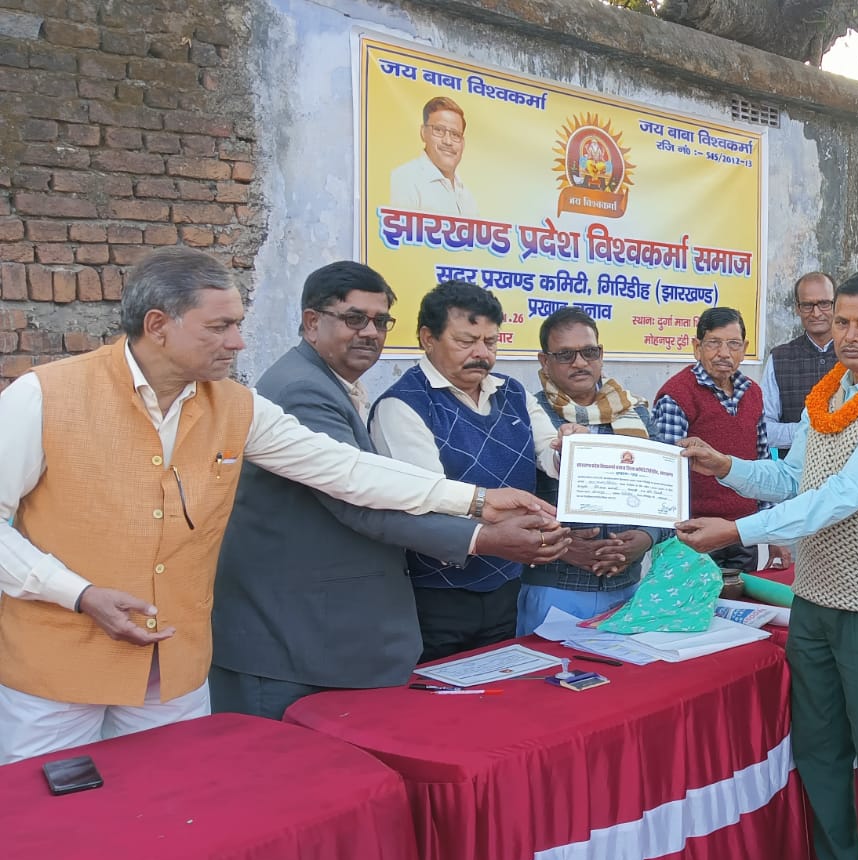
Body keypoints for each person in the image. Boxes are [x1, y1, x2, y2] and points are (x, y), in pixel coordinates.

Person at [0, 248, 541, 763]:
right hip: (58, 663)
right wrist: (77, 593)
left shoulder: (237, 406)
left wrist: (474, 500)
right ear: (159, 325)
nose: (238, 342)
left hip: (174, 663)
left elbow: (344, 468)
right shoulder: (46, 396)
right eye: (220, 327)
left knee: (168, 802)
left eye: (237, 324)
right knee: (49, 815)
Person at [676, 271, 858, 860]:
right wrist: (727, 466)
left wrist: (734, 530)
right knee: (820, 752)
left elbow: (841, 497)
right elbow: (793, 479)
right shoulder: (828, 397)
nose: (849, 335)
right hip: (814, 600)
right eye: (842, 322)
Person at [211, 262, 570, 719]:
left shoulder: (333, 384)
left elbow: (365, 481)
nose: (370, 332)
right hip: (294, 636)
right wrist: (483, 529)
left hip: (328, 629)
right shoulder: (306, 389)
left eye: (380, 321)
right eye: (354, 318)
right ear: (312, 323)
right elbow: (358, 499)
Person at [370, 281, 543, 663]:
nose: (482, 353)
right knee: (435, 693)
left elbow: (551, 453)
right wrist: (502, 529)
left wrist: (576, 448)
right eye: (466, 341)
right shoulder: (403, 406)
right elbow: (426, 497)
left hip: (506, 585)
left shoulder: (513, 393)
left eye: (491, 342)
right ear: (427, 338)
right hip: (437, 596)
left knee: (500, 686)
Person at [518, 306, 668, 634]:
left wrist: (646, 537)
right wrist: (560, 546)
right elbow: (511, 502)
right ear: (544, 361)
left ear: (601, 354)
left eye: (589, 352)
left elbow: (667, 497)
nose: (580, 363)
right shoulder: (527, 415)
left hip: (627, 586)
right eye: (565, 355)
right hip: (554, 587)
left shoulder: (635, 413)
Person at [653, 307, 768, 572]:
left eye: (733, 344)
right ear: (697, 347)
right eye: (714, 343)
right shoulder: (677, 395)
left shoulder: (753, 393)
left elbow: (763, 460)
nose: (724, 353)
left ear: (744, 348)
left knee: (744, 594)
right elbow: (667, 475)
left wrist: (768, 530)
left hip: (743, 530)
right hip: (695, 533)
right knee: (695, 598)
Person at [762, 271, 837, 454]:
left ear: (837, 304)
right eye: (807, 305)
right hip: (795, 469)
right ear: (797, 308)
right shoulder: (779, 358)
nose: (816, 313)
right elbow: (764, 428)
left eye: (824, 304)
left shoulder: (856, 355)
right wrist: (810, 431)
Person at [388, 96, 477, 216]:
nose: (448, 141)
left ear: (463, 143)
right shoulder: (405, 179)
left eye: (455, 134)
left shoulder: (466, 195)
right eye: (439, 130)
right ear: (423, 133)